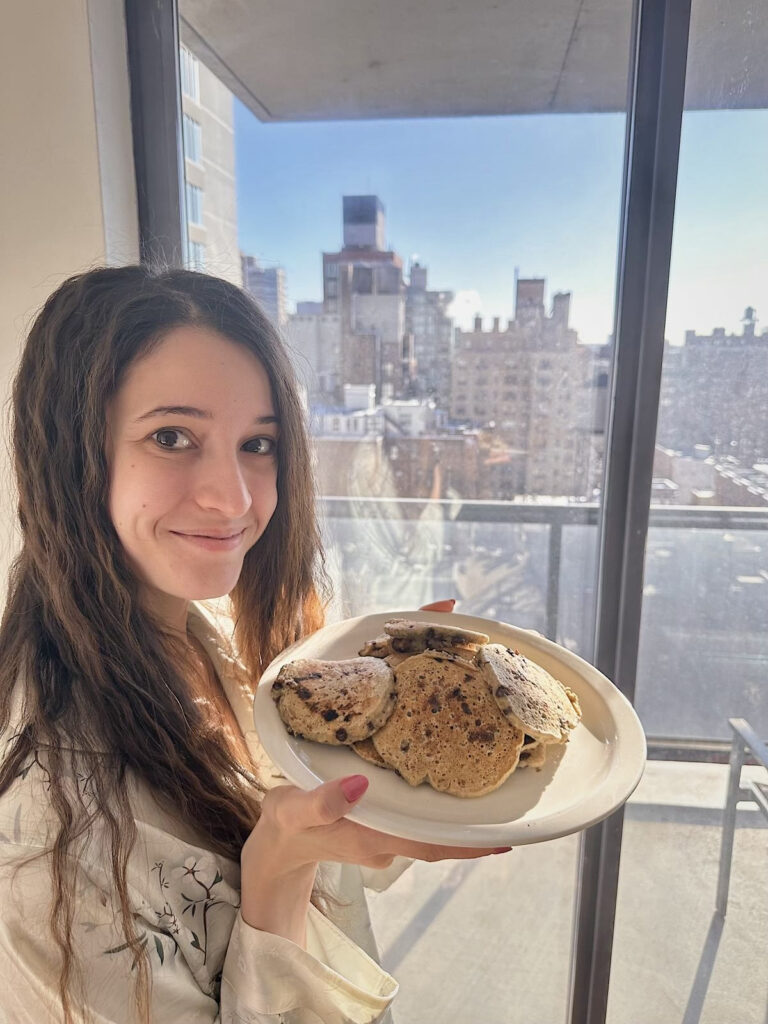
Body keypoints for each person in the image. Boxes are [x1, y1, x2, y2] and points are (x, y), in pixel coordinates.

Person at [0, 266, 506, 1023]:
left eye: (258, 443)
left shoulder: (210, 639)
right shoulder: (46, 844)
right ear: (70, 456)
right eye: (172, 437)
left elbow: (327, 864)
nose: (234, 498)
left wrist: (387, 732)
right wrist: (277, 870)